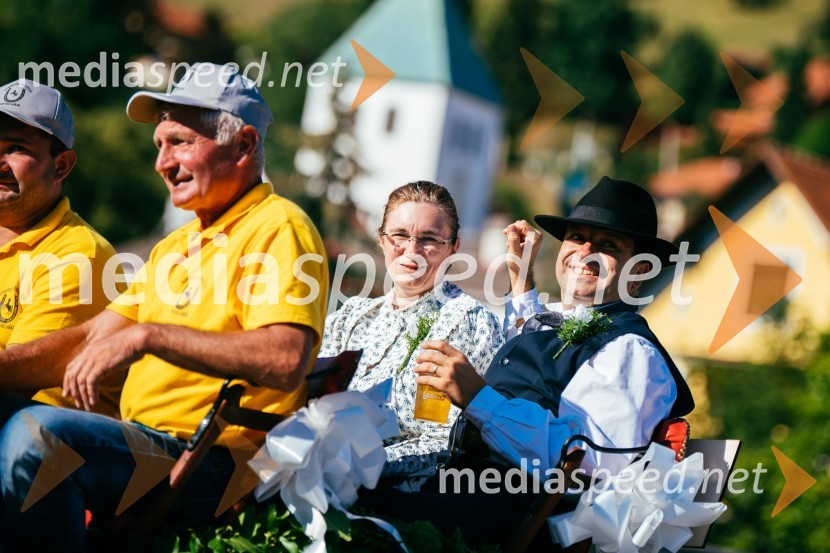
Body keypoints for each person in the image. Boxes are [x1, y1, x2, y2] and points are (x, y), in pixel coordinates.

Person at [0, 63, 328, 551]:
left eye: (180, 142)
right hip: (146, 443)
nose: (162, 161)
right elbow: (91, 338)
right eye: (159, 145)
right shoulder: (176, 245)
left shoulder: (279, 226)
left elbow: (286, 359)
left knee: (36, 437)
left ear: (244, 145)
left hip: (212, 461)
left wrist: (148, 336)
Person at [363, 176, 694, 546]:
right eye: (577, 238)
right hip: (467, 488)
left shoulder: (631, 351)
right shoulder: (565, 319)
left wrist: (478, 399)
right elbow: (533, 355)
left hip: (516, 516)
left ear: (640, 273)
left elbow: (589, 463)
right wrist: (521, 280)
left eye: (608, 245)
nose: (584, 253)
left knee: (364, 504)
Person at [318, 181, 504, 478]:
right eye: (400, 235)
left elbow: (442, 444)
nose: (412, 250)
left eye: (429, 239)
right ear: (381, 239)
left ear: (454, 248)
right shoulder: (351, 317)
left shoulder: (467, 322)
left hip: (395, 494)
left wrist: (356, 468)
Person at [0, 79, 123, 417]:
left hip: (52, 450)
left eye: (16, 148)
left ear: (62, 165)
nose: (0, 160)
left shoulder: (76, 255)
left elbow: (15, 375)